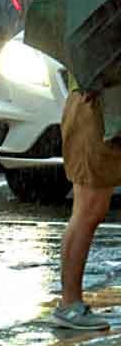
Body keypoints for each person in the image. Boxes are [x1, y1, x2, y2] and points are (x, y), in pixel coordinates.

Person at [53, 79, 121, 329]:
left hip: (108, 103)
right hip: (95, 106)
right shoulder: (92, 42)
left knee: (91, 209)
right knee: (89, 208)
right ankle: (69, 305)